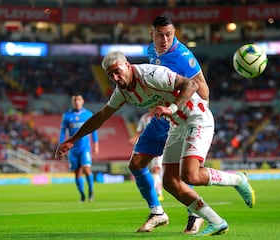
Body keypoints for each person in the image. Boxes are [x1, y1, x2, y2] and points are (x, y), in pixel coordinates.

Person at [55, 52, 255, 236]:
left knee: (191, 175)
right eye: (111, 76)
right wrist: (73, 139)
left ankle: (238, 180)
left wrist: (173, 107)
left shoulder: (151, 74)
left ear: (127, 65)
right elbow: (102, 116)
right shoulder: (122, 91)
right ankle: (216, 221)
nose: (115, 78)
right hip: (176, 125)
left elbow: (191, 85)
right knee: (169, 182)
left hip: (197, 117)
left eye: (117, 72)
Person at [127, 13, 212, 234]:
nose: (165, 40)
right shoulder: (150, 50)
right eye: (160, 35)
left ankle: (196, 215)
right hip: (160, 116)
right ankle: (157, 213)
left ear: (174, 33)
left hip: (182, 117)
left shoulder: (183, 56)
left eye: (169, 35)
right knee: (136, 164)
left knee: (181, 172)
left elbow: (202, 87)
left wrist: (198, 120)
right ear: (151, 33)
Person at [59, 93, 99, 202]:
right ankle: (82, 195)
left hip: (84, 147)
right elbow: (62, 132)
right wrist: (61, 145)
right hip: (73, 149)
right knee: (77, 172)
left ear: (83, 101)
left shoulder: (88, 114)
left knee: (86, 168)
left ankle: (91, 192)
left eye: (79, 100)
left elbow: (94, 129)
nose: (77, 102)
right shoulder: (67, 116)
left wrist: (96, 143)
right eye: (75, 100)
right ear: (72, 102)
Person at [129, 108, 164, 201]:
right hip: (146, 147)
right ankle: (156, 189)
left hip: (159, 145)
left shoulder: (161, 116)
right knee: (149, 169)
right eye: (150, 106)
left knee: (156, 169)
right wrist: (134, 138)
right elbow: (139, 131)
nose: (151, 108)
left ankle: (158, 192)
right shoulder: (144, 118)